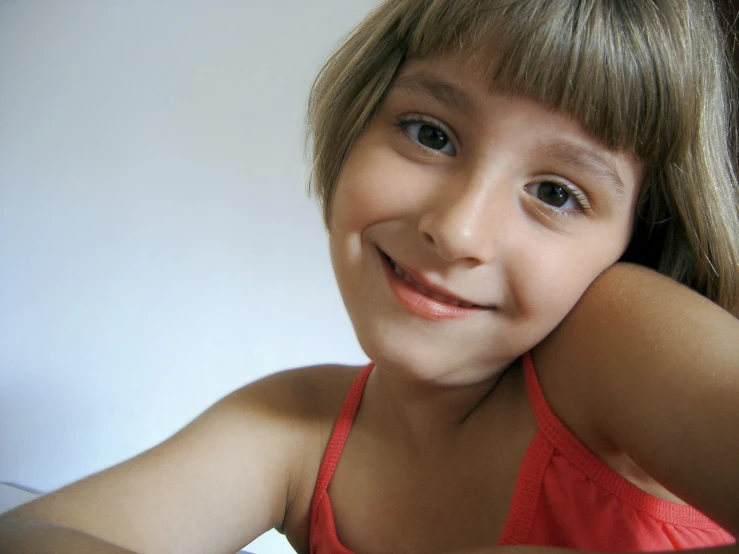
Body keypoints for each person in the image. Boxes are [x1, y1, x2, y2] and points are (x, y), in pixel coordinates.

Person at [2, 0, 739, 553]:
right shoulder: (302, 427)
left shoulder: (615, 340)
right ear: (354, 123)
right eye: (430, 134)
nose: (456, 229)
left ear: (635, 242)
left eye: (554, 193)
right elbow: (34, 532)